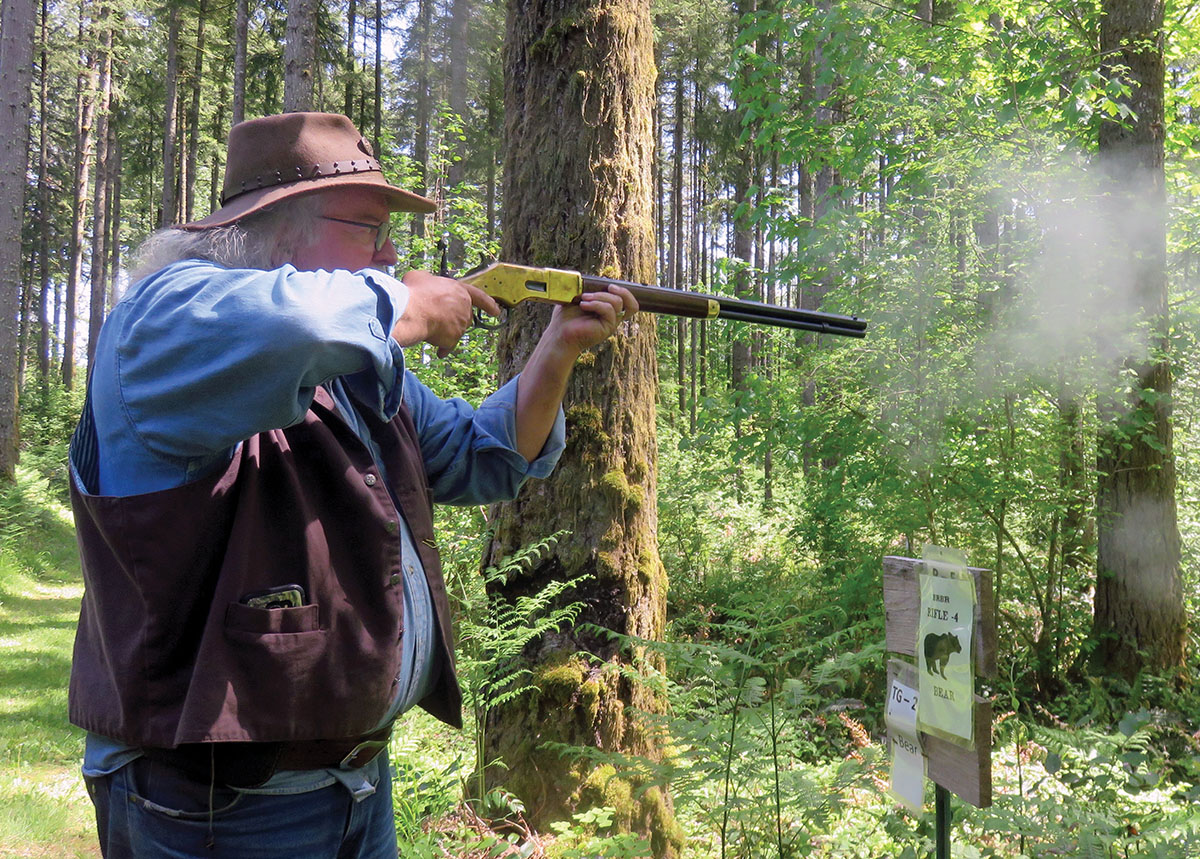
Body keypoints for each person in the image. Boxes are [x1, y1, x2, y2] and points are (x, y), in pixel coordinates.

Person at [67, 111, 638, 858]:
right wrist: (402, 301)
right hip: (219, 805)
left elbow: (484, 453)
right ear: (277, 230)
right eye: (369, 229)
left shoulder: (359, 371)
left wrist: (558, 350)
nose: (392, 253)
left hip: (357, 785)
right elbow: (299, 326)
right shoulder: (161, 321)